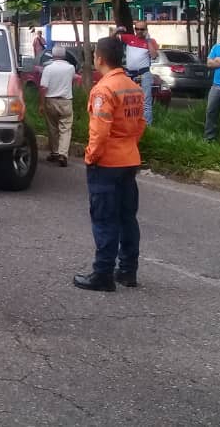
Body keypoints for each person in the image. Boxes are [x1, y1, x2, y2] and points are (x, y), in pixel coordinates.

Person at [73, 36, 146, 293]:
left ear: (100, 58)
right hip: (129, 159)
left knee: (104, 218)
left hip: (107, 163)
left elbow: (100, 131)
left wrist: (91, 156)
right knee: (127, 217)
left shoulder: (104, 89)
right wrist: (128, 146)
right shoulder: (133, 87)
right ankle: (127, 271)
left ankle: (102, 274)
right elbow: (139, 125)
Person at [39, 45, 76, 167]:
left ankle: (54, 152)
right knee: (65, 129)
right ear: (64, 55)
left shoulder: (48, 69)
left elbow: (43, 87)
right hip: (66, 101)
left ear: (53, 55)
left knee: (53, 128)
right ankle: (63, 154)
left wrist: (41, 104)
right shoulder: (71, 68)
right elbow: (71, 81)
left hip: (51, 100)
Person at [117, 22, 159, 125]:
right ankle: (129, 123)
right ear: (135, 29)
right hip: (130, 74)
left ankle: (147, 126)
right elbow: (110, 37)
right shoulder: (129, 38)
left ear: (146, 30)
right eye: (137, 29)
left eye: (142, 29)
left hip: (144, 73)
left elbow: (154, 55)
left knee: (146, 101)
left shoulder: (151, 41)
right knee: (127, 101)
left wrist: (148, 40)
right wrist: (118, 29)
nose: (139, 31)